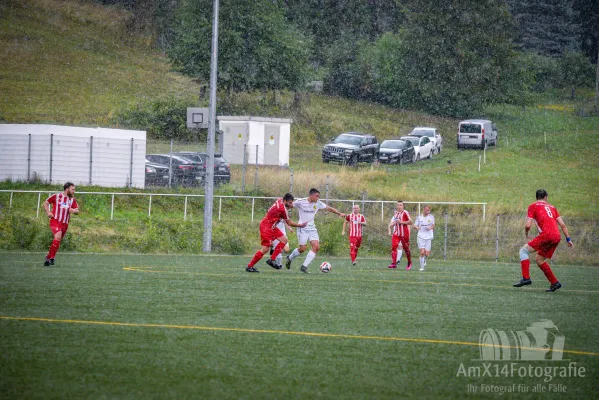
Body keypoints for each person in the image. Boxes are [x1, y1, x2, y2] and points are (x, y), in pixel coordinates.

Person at [514, 189, 574, 292]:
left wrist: (526, 233)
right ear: (546, 197)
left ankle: (526, 278)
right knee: (540, 260)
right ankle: (555, 283)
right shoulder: (552, 208)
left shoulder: (533, 206)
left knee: (523, 251)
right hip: (556, 237)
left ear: (536, 197)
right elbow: (563, 225)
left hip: (546, 235)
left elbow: (528, 225)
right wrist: (568, 239)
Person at [285, 188, 345, 273]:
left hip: (312, 228)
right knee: (302, 249)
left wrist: (339, 213)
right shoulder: (300, 202)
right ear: (311, 195)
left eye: (319, 196)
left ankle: (304, 267)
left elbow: (329, 208)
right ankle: (289, 258)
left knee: (316, 247)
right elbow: (288, 206)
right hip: (302, 228)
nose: (318, 198)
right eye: (317, 196)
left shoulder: (318, 203)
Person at [246, 193, 306, 273]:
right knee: (265, 249)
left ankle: (272, 259)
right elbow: (289, 223)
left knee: (284, 240)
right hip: (266, 226)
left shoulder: (279, 200)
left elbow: (281, 211)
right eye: (289, 203)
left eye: (292, 203)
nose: (291, 205)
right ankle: (249, 266)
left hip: (272, 226)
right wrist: (300, 225)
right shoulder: (282, 209)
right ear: (284, 201)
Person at [43, 182, 79, 266]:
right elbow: (45, 203)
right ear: (67, 189)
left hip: (65, 224)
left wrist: (74, 211)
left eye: (74, 189)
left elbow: (77, 210)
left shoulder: (72, 200)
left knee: (58, 240)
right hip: (55, 221)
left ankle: (49, 257)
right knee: (58, 236)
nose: (74, 191)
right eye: (72, 189)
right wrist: (48, 213)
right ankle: (52, 258)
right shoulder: (56, 196)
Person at [388, 200, 412, 270]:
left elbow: (410, 222)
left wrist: (401, 222)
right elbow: (395, 222)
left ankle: (409, 262)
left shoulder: (405, 213)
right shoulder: (396, 213)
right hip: (396, 233)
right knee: (394, 247)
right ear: (396, 206)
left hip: (404, 234)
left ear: (403, 206)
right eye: (398, 205)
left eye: (400, 205)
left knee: (406, 249)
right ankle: (394, 263)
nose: (399, 206)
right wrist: (390, 225)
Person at [414, 205, 435, 271]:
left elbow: (433, 225)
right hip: (421, 237)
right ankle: (421, 267)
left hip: (428, 237)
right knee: (422, 252)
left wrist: (430, 227)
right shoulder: (419, 217)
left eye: (428, 210)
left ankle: (424, 259)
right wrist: (417, 227)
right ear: (424, 210)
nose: (427, 211)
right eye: (426, 210)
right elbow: (415, 225)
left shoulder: (431, 217)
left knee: (427, 253)